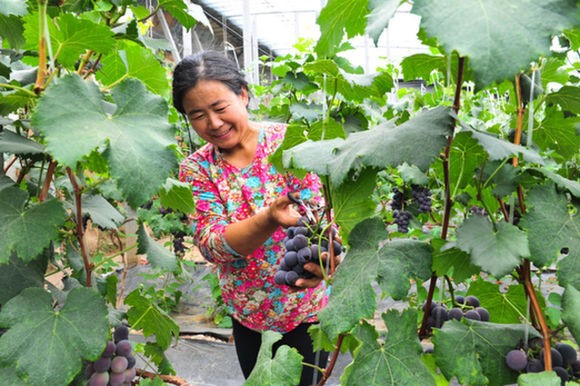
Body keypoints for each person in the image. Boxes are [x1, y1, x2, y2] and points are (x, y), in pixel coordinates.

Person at [173, 50, 334, 386]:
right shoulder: (197, 170)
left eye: (220, 108)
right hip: (249, 317)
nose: (213, 123)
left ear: (243, 95)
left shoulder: (289, 143)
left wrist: (327, 259)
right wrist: (269, 219)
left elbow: (319, 220)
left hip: (307, 308)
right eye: (198, 115)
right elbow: (212, 245)